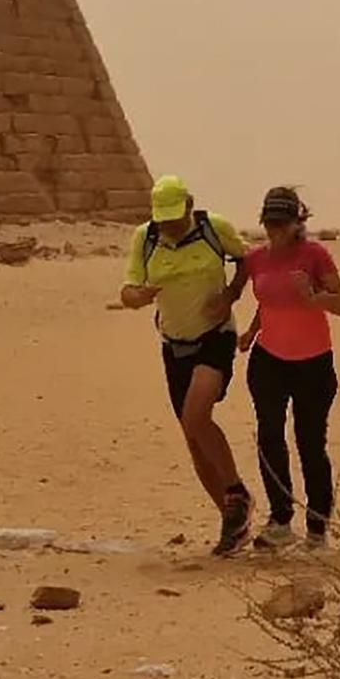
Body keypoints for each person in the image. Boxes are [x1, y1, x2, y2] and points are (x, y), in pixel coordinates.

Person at [119, 174, 256, 555]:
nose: (169, 225)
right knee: (192, 437)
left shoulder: (215, 229)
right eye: (163, 218)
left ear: (190, 206)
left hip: (215, 336)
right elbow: (127, 291)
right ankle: (233, 523)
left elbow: (247, 260)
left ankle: (236, 492)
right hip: (174, 342)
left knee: (196, 416)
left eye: (174, 218)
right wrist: (140, 296)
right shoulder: (145, 238)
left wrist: (230, 294)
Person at [238, 185, 340, 548]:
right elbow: (267, 301)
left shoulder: (314, 254)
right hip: (269, 360)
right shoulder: (256, 258)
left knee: (310, 442)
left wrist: (313, 296)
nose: (273, 230)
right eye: (269, 223)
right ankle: (280, 519)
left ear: (295, 223)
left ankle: (317, 526)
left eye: (280, 223)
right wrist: (252, 332)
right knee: (270, 437)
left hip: (313, 363)